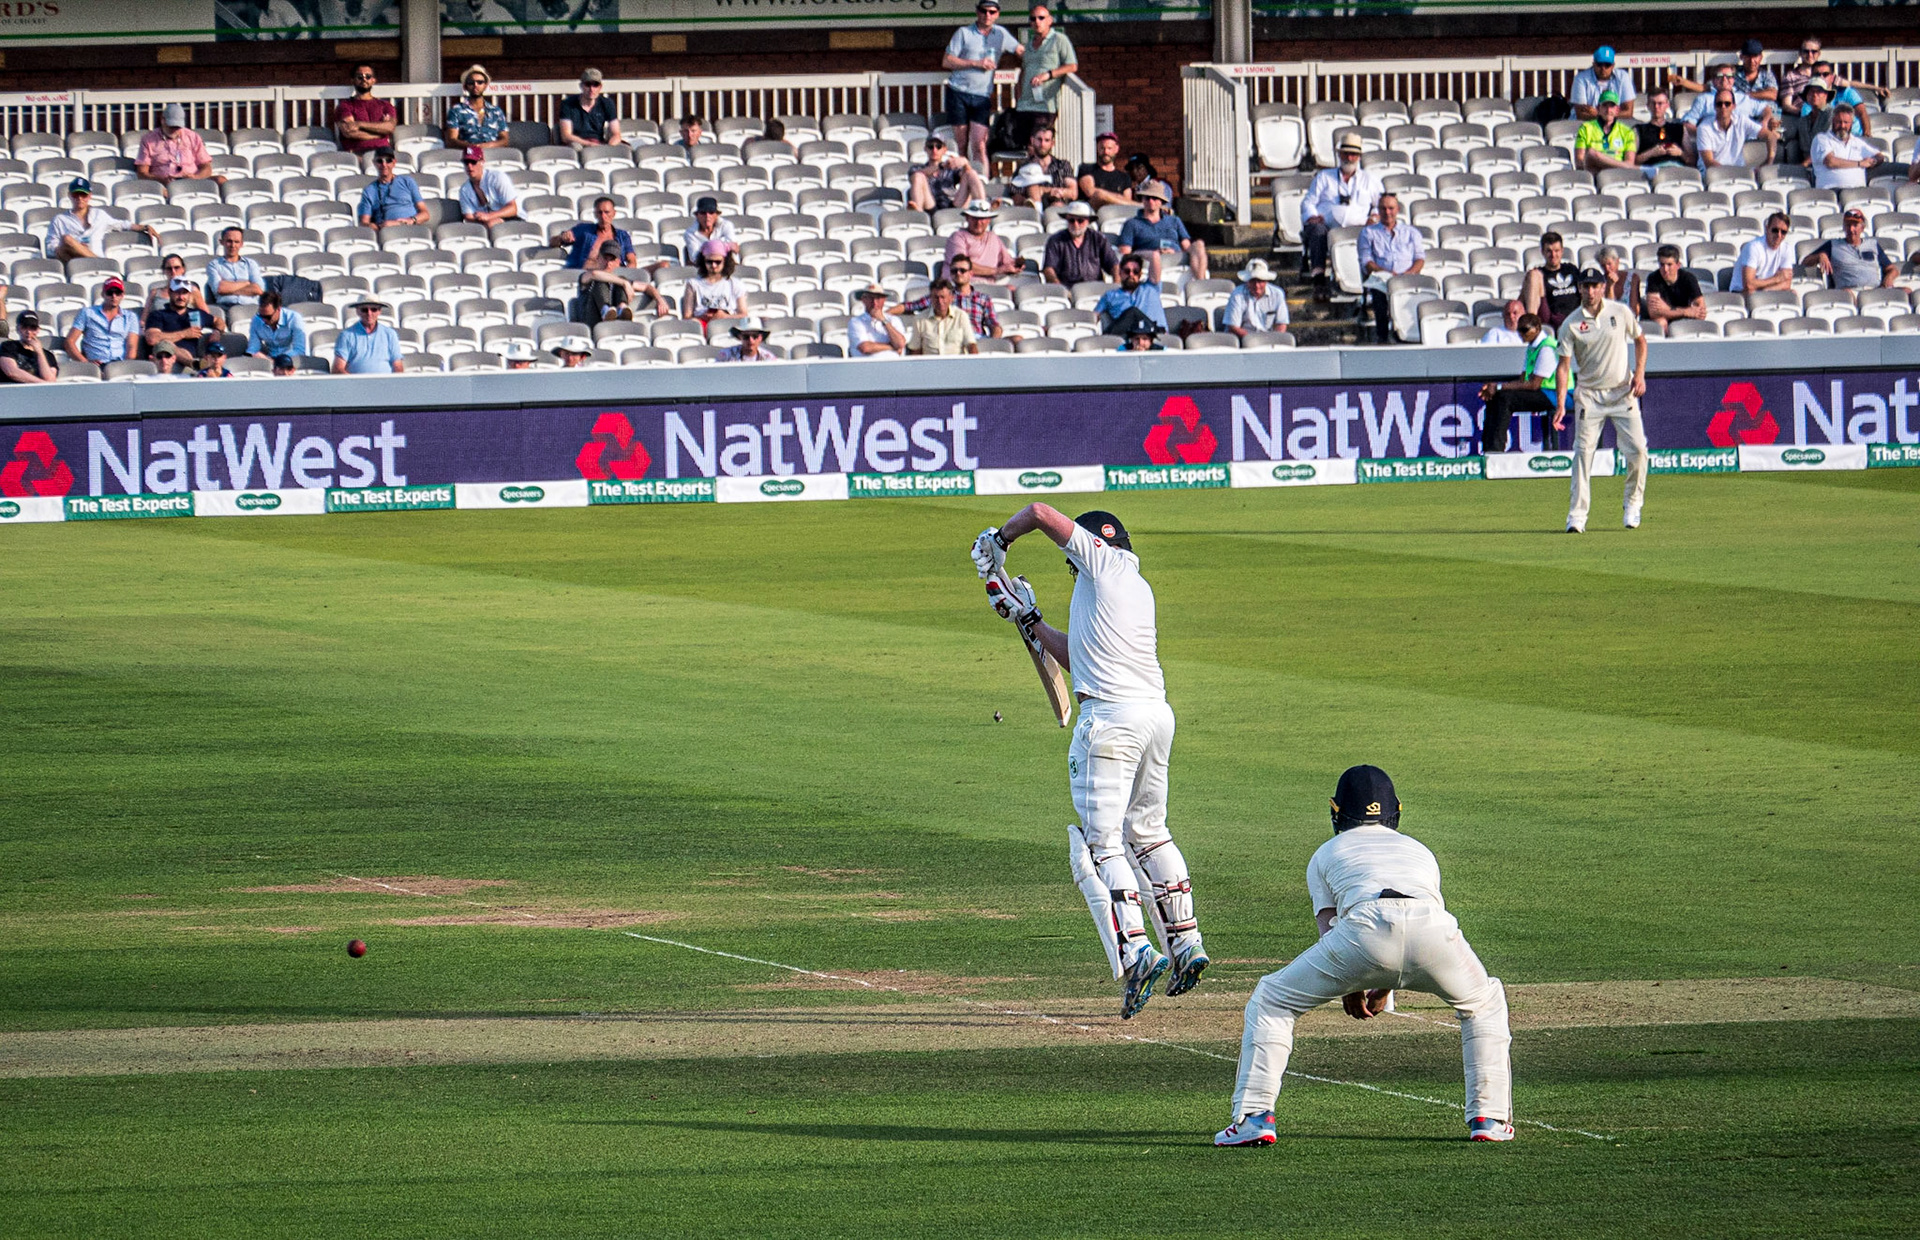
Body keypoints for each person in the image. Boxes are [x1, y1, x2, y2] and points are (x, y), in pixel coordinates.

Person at [971, 507, 1211, 1017]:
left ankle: (1138, 951)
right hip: (1153, 717)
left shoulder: (1103, 566)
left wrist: (1000, 540)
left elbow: (1038, 512)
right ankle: (1186, 943)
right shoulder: (1128, 588)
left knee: (1100, 844)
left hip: (1109, 723)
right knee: (1149, 833)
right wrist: (1029, 618)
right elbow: (1077, 659)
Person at [1213, 765, 1512, 1147]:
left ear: (1336, 811)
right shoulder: (1418, 850)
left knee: (1273, 999)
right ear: (1396, 810)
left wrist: (1352, 985)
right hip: (1435, 929)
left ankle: (1255, 1117)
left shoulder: (1326, 852)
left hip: (1363, 930)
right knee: (1484, 1004)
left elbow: (1331, 929)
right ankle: (1489, 1118)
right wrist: (1383, 984)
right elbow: (1409, 926)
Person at [1554, 267, 1648, 533]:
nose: (1591, 291)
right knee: (1583, 454)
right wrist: (1561, 404)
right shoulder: (1571, 323)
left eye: (1596, 285)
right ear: (1580, 289)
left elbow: (1641, 341)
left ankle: (1633, 504)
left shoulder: (1620, 312)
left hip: (1622, 392)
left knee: (1639, 451)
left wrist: (1639, 374)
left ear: (1603, 286)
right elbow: (1564, 366)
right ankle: (1577, 516)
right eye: (1586, 286)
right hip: (1589, 397)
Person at [1299, 135, 1380, 302]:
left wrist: (1374, 216)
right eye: (1346, 154)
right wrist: (1313, 216)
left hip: (1359, 227)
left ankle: (1370, 285)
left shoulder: (1370, 180)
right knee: (1317, 230)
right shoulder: (1324, 176)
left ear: (1359, 157)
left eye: (1353, 154)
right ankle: (1319, 281)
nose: (1349, 158)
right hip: (1328, 225)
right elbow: (1308, 201)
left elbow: (1380, 203)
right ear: (1339, 154)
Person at [942, 0, 1022, 171]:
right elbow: (947, 61)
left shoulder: (1001, 34)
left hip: (982, 96)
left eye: (992, 12)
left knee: (979, 144)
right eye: (984, 11)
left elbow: (1020, 51)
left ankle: (982, 184)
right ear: (977, 12)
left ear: (998, 14)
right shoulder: (963, 33)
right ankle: (961, 183)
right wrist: (976, 63)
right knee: (961, 144)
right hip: (958, 92)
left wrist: (1043, 65)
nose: (987, 15)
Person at [1478, 313, 1559, 452]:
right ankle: (1487, 449)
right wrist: (1495, 388)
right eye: (1519, 330)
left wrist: (1498, 386)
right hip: (1542, 391)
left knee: (1505, 399)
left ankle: (1496, 451)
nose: (1521, 334)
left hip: (1554, 394)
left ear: (1537, 328)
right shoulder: (1532, 347)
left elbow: (1534, 385)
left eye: (1525, 330)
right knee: (1495, 398)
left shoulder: (1547, 348)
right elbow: (1522, 380)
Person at [1356, 191, 1423, 344]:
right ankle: (1383, 338)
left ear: (1397, 209)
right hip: (1382, 279)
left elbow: (1420, 259)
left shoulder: (1412, 233)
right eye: (1383, 209)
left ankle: (1410, 335)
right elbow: (1366, 261)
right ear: (1378, 211)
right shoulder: (1368, 233)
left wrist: (1408, 273)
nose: (1387, 212)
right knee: (1379, 294)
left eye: (1391, 208)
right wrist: (1386, 273)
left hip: (1408, 278)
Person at [1011, 3, 1076, 151]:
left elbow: (1072, 65)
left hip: (1045, 105)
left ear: (1050, 20)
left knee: (1041, 145)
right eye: (1033, 19)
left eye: (1041, 18)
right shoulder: (1028, 45)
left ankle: (1042, 173)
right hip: (1024, 104)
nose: (1037, 22)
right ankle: (1029, 174)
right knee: (1025, 146)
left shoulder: (1059, 39)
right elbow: (1024, 68)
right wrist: (1018, 90)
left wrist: (1048, 75)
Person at [44, 178, 157, 261]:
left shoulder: (99, 215)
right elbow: (50, 247)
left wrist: (144, 227)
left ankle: (96, 261)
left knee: (68, 239)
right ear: (69, 195)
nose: (79, 198)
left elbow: (121, 224)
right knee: (67, 240)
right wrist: (75, 247)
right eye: (76, 195)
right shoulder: (60, 220)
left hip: (94, 258)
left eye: (83, 195)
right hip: (73, 262)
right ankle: (99, 261)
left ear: (89, 196)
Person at [895, 255, 1004, 341]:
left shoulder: (983, 299)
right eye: (954, 271)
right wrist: (884, 314)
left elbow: (993, 324)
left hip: (976, 339)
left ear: (970, 273)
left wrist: (993, 342)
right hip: (950, 340)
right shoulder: (942, 296)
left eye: (962, 270)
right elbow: (909, 306)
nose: (958, 273)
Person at [1117, 181, 1206, 284]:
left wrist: (1174, 252)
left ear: (1161, 202)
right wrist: (1154, 253)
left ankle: (1201, 283)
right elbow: (1125, 253)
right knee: (1154, 256)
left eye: (1155, 198)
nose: (1151, 201)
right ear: (1143, 200)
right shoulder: (1131, 223)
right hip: (1149, 260)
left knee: (1199, 245)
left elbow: (1186, 246)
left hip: (1176, 259)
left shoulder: (1174, 221)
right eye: (1147, 198)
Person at [1803, 208, 1898, 290]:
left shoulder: (1873, 245)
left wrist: (1889, 277)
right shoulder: (1834, 245)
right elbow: (1805, 262)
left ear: (1862, 228)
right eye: (1848, 225)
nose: (1851, 229)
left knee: (1906, 291)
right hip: (1848, 291)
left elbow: (1892, 269)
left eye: (1855, 225)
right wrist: (1820, 256)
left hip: (1874, 290)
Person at [136, 103, 221, 187]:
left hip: (191, 179)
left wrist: (196, 177)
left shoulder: (192, 136)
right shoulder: (148, 140)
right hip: (163, 182)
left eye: (177, 127)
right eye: (171, 126)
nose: (174, 130)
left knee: (221, 180)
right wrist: (160, 180)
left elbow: (206, 167)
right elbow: (142, 173)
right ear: (162, 120)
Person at [578, 239, 662, 323]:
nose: (608, 263)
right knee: (601, 281)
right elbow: (594, 274)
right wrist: (625, 283)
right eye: (605, 258)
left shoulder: (619, 280)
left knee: (621, 281)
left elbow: (647, 287)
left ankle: (622, 309)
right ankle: (605, 311)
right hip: (591, 321)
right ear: (598, 258)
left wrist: (660, 301)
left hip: (614, 324)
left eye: (612, 260)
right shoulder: (586, 276)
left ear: (618, 262)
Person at [1042, 201, 1118, 287]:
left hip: (1095, 288)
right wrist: (1058, 286)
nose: (1075, 224)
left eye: (1080, 221)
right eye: (1071, 220)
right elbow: (1049, 269)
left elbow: (1113, 264)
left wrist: (1116, 284)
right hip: (1067, 289)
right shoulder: (1055, 241)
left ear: (1088, 221)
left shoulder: (1098, 239)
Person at [1695, 90, 1776, 170]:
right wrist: (1736, 173)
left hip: (1738, 172)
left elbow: (1770, 136)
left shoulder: (1742, 121)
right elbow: (1709, 163)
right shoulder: (1704, 128)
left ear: (1734, 106)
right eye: (1719, 104)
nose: (1723, 107)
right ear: (1715, 106)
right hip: (1712, 174)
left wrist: (1769, 161)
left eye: (1727, 104)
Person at [66, 277, 139, 365]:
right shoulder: (87, 313)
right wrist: (86, 363)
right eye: (109, 293)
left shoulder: (130, 317)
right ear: (103, 294)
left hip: (120, 363)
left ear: (122, 295)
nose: (114, 296)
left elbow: (132, 347)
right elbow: (69, 341)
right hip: (96, 364)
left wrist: (125, 366)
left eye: (117, 293)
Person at [908, 134, 987, 214]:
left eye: (938, 146)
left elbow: (966, 176)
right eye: (930, 146)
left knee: (971, 173)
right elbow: (917, 175)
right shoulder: (917, 168)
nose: (934, 150)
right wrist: (941, 166)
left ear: (944, 149)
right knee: (918, 176)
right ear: (925, 149)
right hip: (930, 204)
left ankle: (982, 208)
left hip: (952, 203)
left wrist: (965, 163)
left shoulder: (951, 167)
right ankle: (917, 214)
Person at [144, 253, 225, 330]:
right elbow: (144, 319)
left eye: (177, 267)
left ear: (183, 269)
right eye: (169, 268)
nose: (173, 271)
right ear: (164, 271)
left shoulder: (193, 291)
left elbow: (205, 315)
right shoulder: (154, 293)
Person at [945, 200, 1024, 279]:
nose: (979, 223)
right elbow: (962, 266)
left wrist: (1016, 265)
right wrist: (997, 270)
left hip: (989, 285)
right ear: (967, 218)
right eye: (975, 218)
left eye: (982, 218)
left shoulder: (993, 238)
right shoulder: (957, 237)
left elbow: (1007, 261)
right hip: (962, 285)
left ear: (989, 220)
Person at [1810, 106, 1881, 190]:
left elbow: (1879, 156)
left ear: (1852, 123)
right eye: (1838, 122)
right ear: (1832, 122)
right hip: (1831, 191)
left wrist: (1873, 161)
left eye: (1846, 122)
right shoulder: (1822, 138)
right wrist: (1860, 163)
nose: (1842, 126)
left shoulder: (1857, 142)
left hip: (1859, 192)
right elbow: (1830, 162)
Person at [553, 196, 634, 270]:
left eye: (607, 212)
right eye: (600, 212)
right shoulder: (584, 230)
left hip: (614, 277)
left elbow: (632, 261)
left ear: (614, 213)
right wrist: (562, 237)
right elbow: (553, 243)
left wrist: (626, 273)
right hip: (586, 276)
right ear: (595, 214)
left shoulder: (623, 236)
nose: (603, 216)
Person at [144, 277, 216, 360]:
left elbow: (218, 321)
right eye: (177, 292)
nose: (181, 297)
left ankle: (193, 364)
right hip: (165, 361)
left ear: (189, 295)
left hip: (189, 362)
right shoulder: (158, 315)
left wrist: (217, 332)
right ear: (170, 292)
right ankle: (192, 363)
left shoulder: (196, 314)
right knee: (167, 344)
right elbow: (152, 339)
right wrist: (184, 334)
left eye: (184, 293)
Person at [357, 148, 429, 230]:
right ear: (374, 163)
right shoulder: (369, 190)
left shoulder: (407, 181)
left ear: (394, 163)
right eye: (380, 161)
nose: (384, 164)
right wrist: (378, 226)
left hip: (411, 228)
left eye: (388, 160)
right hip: (387, 232)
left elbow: (425, 214)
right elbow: (364, 223)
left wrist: (408, 221)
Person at [1522, 231, 1582, 330]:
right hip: (1551, 319)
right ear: (1542, 252)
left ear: (1562, 251)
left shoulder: (1572, 269)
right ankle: (1531, 327)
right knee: (1533, 275)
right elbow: (1521, 299)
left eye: (1556, 250)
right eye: (1549, 251)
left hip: (1575, 317)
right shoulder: (1539, 273)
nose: (1553, 255)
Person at [334, 63, 397, 156]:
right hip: (357, 154)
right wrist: (380, 133)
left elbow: (390, 127)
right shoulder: (345, 106)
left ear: (373, 80)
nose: (364, 79)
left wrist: (359, 124)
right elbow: (349, 132)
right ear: (353, 80)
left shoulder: (385, 105)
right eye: (360, 77)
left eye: (368, 76)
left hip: (383, 155)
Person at [1094, 254, 1167, 334]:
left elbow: (1155, 256)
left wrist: (1136, 252)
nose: (1131, 275)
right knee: (1132, 313)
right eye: (1127, 271)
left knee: (1133, 312)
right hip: (1129, 338)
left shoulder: (1151, 287)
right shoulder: (1110, 295)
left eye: (1135, 272)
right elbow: (1094, 316)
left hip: (1156, 336)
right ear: (1120, 273)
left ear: (1140, 275)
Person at [907, 277, 979, 356]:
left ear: (951, 298)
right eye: (936, 297)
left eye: (943, 297)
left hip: (956, 365)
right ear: (930, 298)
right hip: (930, 366)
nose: (940, 301)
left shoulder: (961, 316)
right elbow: (915, 350)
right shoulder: (919, 320)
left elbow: (971, 345)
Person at [331, 298, 405, 374]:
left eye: (374, 309)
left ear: (379, 311)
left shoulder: (390, 334)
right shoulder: (346, 335)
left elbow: (398, 366)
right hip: (356, 384)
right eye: (364, 310)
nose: (369, 313)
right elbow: (338, 368)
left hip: (385, 384)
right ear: (358, 311)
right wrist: (353, 383)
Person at [444, 65, 510, 149]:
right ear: (465, 86)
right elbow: (452, 140)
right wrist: (473, 147)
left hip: (493, 153)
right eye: (471, 82)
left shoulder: (496, 111)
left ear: (485, 85)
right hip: (467, 154)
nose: (476, 85)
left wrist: (486, 146)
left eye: (480, 82)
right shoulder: (456, 110)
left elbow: (505, 140)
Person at [1011, 123, 1077, 207]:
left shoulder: (1063, 165)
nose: (1042, 144)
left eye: (1046, 140)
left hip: (1058, 209)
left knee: (1057, 205)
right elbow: (1015, 194)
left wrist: (1046, 191)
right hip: (1031, 211)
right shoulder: (1023, 167)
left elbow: (1073, 193)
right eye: (1039, 139)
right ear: (1032, 140)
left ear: (1052, 143)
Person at [683, 239, 746, 326]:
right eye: (709, 262)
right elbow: (687, 317)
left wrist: (725, 316)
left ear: (725, 261)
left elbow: (744, 314)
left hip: (728, 323)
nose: (713, 265)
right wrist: (702, 316)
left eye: (718, 262)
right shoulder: (693, 284)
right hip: (703, 324)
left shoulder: (735, 284)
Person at [1220, 259, 1288, 338]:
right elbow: (1233, 327)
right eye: (1253, 281)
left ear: (1266, 281)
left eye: (1260, 281)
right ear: (1247, 281)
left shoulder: (1277, 294)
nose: (1257, 285)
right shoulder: (1237, 295)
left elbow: (1282, 323)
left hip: (1268, 340)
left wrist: (1274, 339)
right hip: (1241, 339)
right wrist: (1253, 340)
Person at [1642, 244, 1706, 328]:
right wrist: (1685, 311)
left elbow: (1701, 312)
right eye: (1662, 265)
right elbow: (1653, 313)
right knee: (1660, 322)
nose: (1665, 269)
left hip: (1685, 320)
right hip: (1668, 319)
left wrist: (1666, 309)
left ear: (1678, 265)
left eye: (1669, 265)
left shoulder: (1689, 278)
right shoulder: (1653, 278)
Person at [205, 228, 265, 316]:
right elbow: (219, 289)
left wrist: (228, 288)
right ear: (222, 242)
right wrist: (247, 284)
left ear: (241, 244)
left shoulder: (251, 264)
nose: (233, 245)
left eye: (236, 242)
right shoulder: (214, 265)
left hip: (251, 307)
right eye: (229, 241)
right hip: (226, 307)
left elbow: (258, 289)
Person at [1575, 91, 1638, 174]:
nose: (1608, 110)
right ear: (1598, 108)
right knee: (1591, 153)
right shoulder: (1586, 128)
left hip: (1619, 174)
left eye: (1612, 106)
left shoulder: (1627, 131)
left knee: (1594, 154)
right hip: (1594, 174)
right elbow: (1579, 161)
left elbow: (1629, 162)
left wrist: (1603, 163)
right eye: (1604, 106)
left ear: (1617, 110)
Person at [1733, 212, 1796, 293]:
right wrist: (1776, 279)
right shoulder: (1754, 247)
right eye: (1775, 230)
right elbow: (1748, 285)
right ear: (1767, 229)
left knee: (1792, 292)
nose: (1779, 235)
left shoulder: (1786, 249)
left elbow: (1787, 283)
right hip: (1741, 292)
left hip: (1764, 290)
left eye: (1783, 232)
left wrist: (1765, 291)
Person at [559, 68, 622, 148]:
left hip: (598, 143)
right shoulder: (567, 104)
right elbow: (566, 136)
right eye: (588, 84)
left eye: (595, 85)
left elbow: (616, 133)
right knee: (576, 147)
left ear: (600, 87)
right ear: (581, 86)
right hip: (576, 144)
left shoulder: (607, 103)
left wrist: (609, 147)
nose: (591, 89)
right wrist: (589, 144)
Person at [1570, 45, 1636, 122]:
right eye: (1599, 64)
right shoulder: (1581, 78)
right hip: (1585, 124)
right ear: (1594, 64)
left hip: (1615, 125)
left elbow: (1628, 113)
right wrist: (1610, 115)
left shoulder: (1623, 77)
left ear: (1613, 65)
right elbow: (1580, 114)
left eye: (1607, 65)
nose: (1603, 68)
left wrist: (1599, 114)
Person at [458, 146, 519, 226]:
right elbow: (468, 216)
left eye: (473, 162)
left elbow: (513, 209)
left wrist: (489, 216)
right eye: (466, 162)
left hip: (513, 218)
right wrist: (483, 218)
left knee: (490, 223)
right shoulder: (464, 189)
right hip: (484, 223)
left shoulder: (497, 178)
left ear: (482, 162)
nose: (469, 166)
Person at [1783, 79, 1836, 165]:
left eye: (1819, 92)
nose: (1814, 95)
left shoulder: (1831, 115)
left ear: (1826, 95)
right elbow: (1789, 136)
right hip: (1807, 165)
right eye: (1811, 92)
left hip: (1826, 163)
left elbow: (1825, 145)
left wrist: (1805, 163)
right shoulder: (1803, 121)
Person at [1635, 89, 1691, 168]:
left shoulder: (1679, 128)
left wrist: (1680, 153)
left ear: (1667, 105)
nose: (1656, 107)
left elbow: (1692, 161)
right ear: (1648, 105)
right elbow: (1632, 161)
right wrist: (1651, 153)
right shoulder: (1639, 130)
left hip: (1677, 170)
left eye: (1660, 103)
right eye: (1653, 103)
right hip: (1653, 171)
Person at [848, 283, 908, 357]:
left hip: (893, 365)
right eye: (870, 298)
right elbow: (865, 348)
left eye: (878, 298)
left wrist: (884, 320)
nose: (874, 303)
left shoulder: (894, 320)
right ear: (864, 300)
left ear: (884, 300)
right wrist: (892, 347)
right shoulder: (856, 322)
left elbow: (900, 343)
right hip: (866, 366)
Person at [1077, 131, 1133, 209]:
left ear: (1116, 149)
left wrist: (1105, 196)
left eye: (1109, 148)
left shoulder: (1124, 177)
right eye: (1102, 148)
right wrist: (1118, 197)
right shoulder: (1086, 169)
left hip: (1117, 217)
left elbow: (1127, 202)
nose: (1106, 152)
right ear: (1097, 148)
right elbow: (1091, 192)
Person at [0, 310, 58, 383]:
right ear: (18, 329)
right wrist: (41, 383)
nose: (28, 331)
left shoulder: (48, 356)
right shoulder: (9, 346)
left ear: (38, 330)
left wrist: (39, 353)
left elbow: (50, 379)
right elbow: (11, 372)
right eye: (24, 327)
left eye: (32, 327)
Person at [247, 290, 308, 360]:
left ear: (278, 309)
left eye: (268, 317)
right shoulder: (256, 320)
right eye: (261, 316)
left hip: (292, 360)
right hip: (270, 360)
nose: (264, 320)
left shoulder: (294, 318)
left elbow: (299, 351)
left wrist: (275, 360)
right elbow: (253, 348)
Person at [681, 196, 738, 267]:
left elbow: (733, 248)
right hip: (702, 269)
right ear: (697, 215)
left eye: (711, 212)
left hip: (727, 266)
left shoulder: (726, 225)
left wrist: (704, 250)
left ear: (717, 215)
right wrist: (724, 246)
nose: (707, 216)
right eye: (703, 213)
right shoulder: (690, 233)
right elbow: (695, 258)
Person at [1597, 246, 1637, 316]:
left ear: (1617, 261)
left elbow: (1634, 308)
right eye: (1603, 266)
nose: (1606, 268)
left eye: (1609, 264)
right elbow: (1608, 308)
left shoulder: (1632, 278)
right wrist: (1610, 286)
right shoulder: (1599, 282)